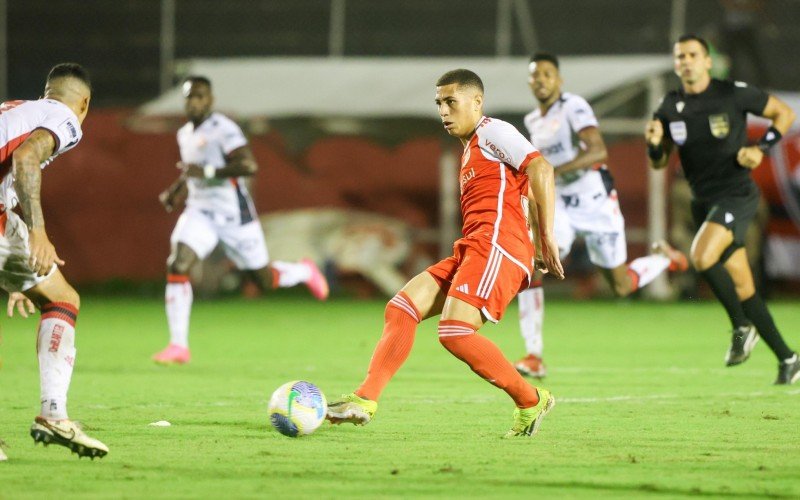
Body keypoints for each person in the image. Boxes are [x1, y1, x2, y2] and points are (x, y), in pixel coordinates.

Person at [326, 69, 564, 437]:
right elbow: (527, 190)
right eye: (439, 103)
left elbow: (541, 168)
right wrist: (533, 233)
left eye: (451, 102)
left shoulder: (493, 131)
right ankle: (365, 399)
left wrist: (544, 237)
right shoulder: (471, 149)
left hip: (496, 245)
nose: (443, 111)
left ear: (477, 102)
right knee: (401, 308)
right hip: (476, 247)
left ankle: (530, 398)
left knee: (454, 331)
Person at [514, 53, 689, 378]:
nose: (540, 80)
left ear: (559, 80)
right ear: (529, 82)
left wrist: (553, 171)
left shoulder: (573, 106)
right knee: (534, 262)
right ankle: (533, 354)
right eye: (535, 75)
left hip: (596, 202)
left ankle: (663, 259)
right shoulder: (531, 121)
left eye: (547, 74)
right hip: (561, 204)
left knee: (621, 286)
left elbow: (597, 150)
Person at [646, 34, 799, 384]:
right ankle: (788, 358)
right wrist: (654, 145)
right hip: (704, 201)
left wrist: (762, 147)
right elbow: (659, 163)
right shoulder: (670, 106)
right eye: (680, 56)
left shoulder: (732, 92)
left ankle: (742, 326)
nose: (686, 60)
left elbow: (784, 113)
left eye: (693, 54)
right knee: (743, 285)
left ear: (707, 61)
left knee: (701, 256)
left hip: (736, 194)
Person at [153, 76, 329, 364]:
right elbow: (192, 170)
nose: (193, 102)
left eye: (199, 96)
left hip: (234, 216)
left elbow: (248, 164)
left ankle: (302, 272)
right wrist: (176, 191)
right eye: (189, 97)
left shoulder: (223, 128)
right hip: (199, 212)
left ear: (210, 100)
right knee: (178, 263)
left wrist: (208, 172)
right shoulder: (184, 133)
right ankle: (178, 346)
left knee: (262, 281)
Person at [0, 63, 108, 459]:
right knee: (62, 301)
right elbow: (26, 159)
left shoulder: (16, 108)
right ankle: (51, 413)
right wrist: (39, 232)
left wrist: (12, 277)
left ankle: (53, 414)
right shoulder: (65, 118)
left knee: (60, 297)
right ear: (85, 103)